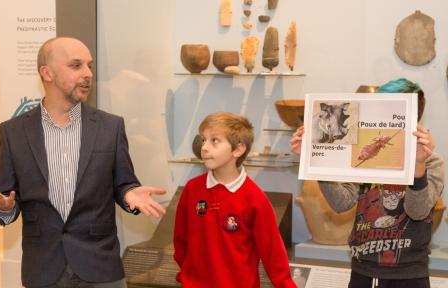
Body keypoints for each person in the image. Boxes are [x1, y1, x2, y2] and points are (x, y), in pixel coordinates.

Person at [0, 37, 166, 288]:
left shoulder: (110, 127)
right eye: (76, 66)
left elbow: (124, 183)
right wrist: (6, 208)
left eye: (90, 66)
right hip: (43, 269)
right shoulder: (13, 132)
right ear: (47, 72)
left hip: (100, 267)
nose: (87, 74)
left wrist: (129, 193)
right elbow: (8, 197)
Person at [290, 78, 445, 288]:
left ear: (412, 115)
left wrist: (418, 166)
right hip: (363, 270)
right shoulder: (365, 156)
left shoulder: (432, 162)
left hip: (409, 274)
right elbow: (341, 202)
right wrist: (317, 160)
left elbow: (417, 211)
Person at [174, 112, 297, 288]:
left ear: (238, 149)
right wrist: (188, 276)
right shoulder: (192, 190)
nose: (204, 148)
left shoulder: (254, 198)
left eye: (214, 140)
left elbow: (273, 254)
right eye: (203, 140)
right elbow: (181, 241)